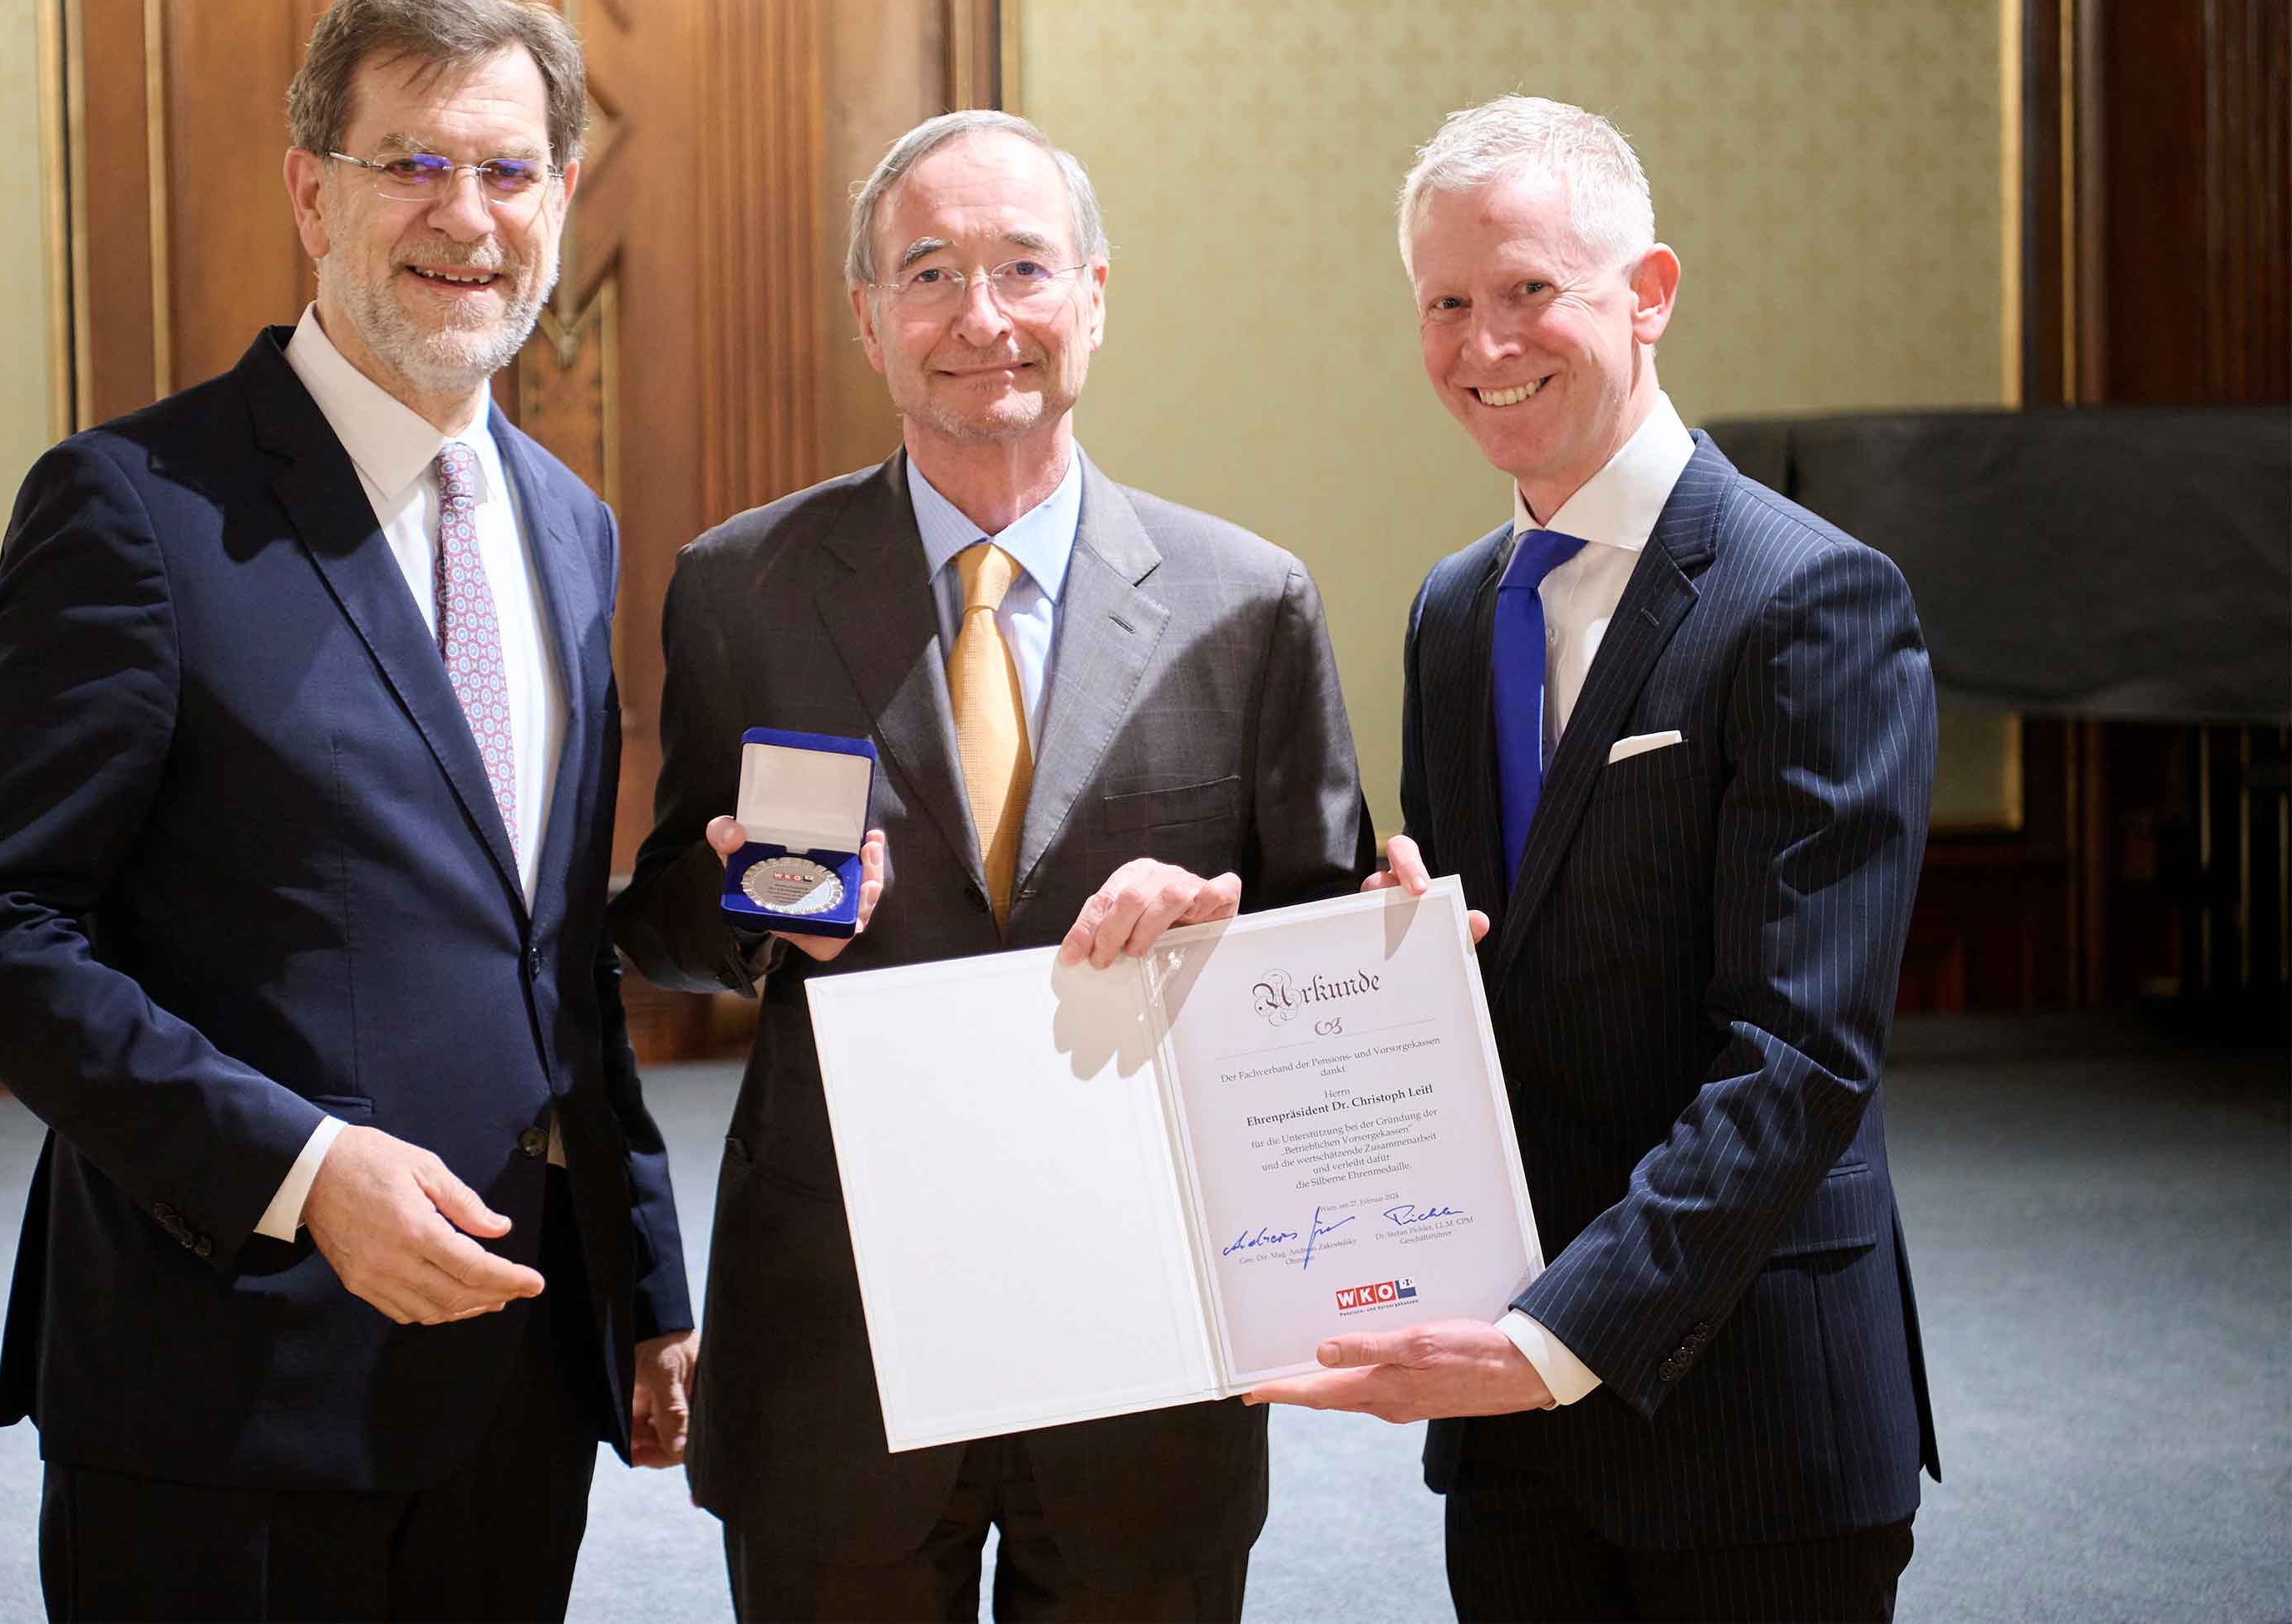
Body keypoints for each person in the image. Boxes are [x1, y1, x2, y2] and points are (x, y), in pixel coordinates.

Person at [0, 0, 693, 1622]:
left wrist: (646, 1276)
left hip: (513, 1373)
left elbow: (549, 950)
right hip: (225, 1389)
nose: (461, 212)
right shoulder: (134, 508)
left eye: (506, 166)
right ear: (309, 192)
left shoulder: (567, 525)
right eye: (410, 159)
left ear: (560, 196)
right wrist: (306, 1167)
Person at [608, 110, 1373, 1622]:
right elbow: (659, 925)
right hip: (842, 1336)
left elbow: (1324, 947)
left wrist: (1220, 931)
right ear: (869, 320)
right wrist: (754, 912)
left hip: (1141, 1330)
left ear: (1095, 295)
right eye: (930, 273)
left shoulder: (1249, 602)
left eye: (1024, 266)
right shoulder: (740, 587)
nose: (981, 319)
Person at [1248, 94, 1939, 1622]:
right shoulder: (1451, 609)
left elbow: (1801, 1057)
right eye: (1445, 302)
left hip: (1745, 1417)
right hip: (1510, 1438)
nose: (1483, 342)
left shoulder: (1813, 601)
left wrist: (1561, 1334)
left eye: (1527, 291)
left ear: (1650, 292)